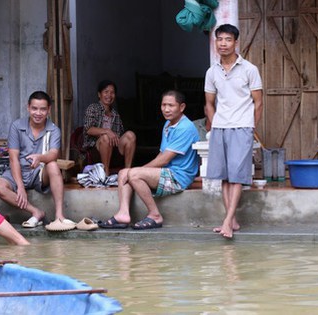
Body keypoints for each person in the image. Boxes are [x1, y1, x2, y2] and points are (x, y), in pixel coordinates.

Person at [98, 90, 199, 230]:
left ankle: (155, 215)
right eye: (163, 105)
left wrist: (139, 171)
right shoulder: (168, 124)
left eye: (171, 105)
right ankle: (123, 214)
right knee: (123, 172)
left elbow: (164, 160)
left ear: (181, 107)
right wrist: (137, 171)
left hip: (178, 177)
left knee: (133, 174)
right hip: (166, 172)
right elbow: (161, 155)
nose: (166, 109)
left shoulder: (185, 127)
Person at [204, 24, 263, 239]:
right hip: (220, 127)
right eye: (219, 39)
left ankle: (227, 221)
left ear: (236, 42)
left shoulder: (249, 69)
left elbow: (259, 103)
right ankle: (233, 220)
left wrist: (250, 126)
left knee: (237, 177)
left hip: (242, 127)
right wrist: (215, 122)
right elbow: (209, 103)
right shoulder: (212, 72)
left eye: (228, 39)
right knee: (223, 177)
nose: (223, 44)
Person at [0, 91, 76, 232]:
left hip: (39, 172)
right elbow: (13, 158)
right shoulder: (16, 126)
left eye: (43, 109)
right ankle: (36, 212)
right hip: (17, 171)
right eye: (34, 108)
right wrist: (20, 186)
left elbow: (53, 154)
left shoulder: (54, 130)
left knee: (53, 165)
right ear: (28, 108)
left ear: (49, 110)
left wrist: (40, 158)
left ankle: (59, 215)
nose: (38, 113)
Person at [83, 80, 136, 175]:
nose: (109, 95)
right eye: (106, 92)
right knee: (105, 138)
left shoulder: (115, 114)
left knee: (130, 135)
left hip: (114, 150)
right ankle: (105, 172)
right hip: (96, 150)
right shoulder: (93, 108)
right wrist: (107, 131)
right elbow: (88, 129)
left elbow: (119, 135)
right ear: (99, 94)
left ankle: (128, 172)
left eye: (112, 92)